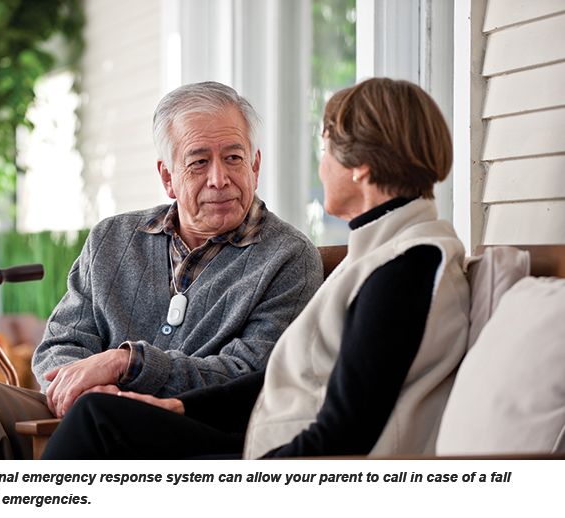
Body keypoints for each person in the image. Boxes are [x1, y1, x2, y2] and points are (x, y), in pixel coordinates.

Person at [41, 77, 471, 460]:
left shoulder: (406, 267)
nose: (321, 168)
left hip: (277, 461)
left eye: (326, 151)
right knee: (95, 414)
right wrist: (186, 407)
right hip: (265, 440)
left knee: (100, 419)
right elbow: (292, 375)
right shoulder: (388, 256)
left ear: (361, 168)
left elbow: (347, 427)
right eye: (198, 162)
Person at [0, 81, 322, 460]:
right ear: (168, 177)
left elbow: (250, 375)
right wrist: (85, 388)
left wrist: (130, 364)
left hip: (190, 429)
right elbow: (60, 343)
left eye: (234, 158)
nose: (220, 179)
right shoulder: (112, 238)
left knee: (93, 417)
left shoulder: (288, 257)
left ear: (255, 165)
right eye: (198, 163)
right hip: (88, 412)